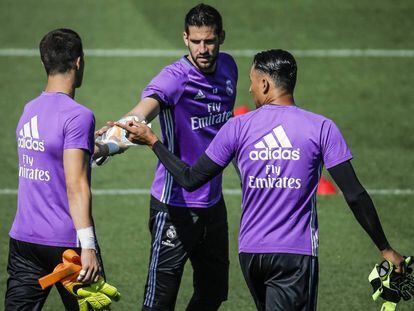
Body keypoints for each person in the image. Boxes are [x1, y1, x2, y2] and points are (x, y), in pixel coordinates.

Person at [116, 49, 405, 311]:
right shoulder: (321, 128)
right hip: (295, 256)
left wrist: (154, 142)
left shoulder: (237, 127)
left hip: (251, 255)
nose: (250, 88)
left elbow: (190, 179)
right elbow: (354, 194)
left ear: (265, 84)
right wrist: (385, 248)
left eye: (253, 81)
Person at [97, 3, 237, 310]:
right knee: (159, 302)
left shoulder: (229, 68)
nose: (204, 49)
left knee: (213, 293)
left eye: (210, 41)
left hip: (214, 204)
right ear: (185, 38)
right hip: (174, 205)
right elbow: (141, 112)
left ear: (221, 38)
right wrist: (106, 144)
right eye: (196, 41)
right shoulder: (175, 77)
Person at [5, 28, 104, 310]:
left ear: (44, 62)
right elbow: (76, 184)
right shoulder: (78, 116)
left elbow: (51, 157)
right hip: (67, 246)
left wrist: (105, 148)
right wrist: (88, 246)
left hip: (24, 242)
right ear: (79, 62)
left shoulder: (28, 111)